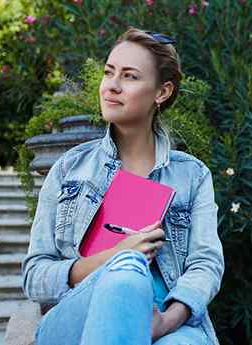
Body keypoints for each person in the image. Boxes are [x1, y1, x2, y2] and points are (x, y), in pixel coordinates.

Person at [21, 28, 224, 345]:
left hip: (167, 321)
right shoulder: (69, 170)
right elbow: (35, 277)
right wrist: (115, 257)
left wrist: (163, 323)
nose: (111, 86)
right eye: (109, 72)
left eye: (129, 76)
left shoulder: (193, 176)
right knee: (128, 270)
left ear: (162, 92)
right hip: (77, 320)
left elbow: (206, 265)